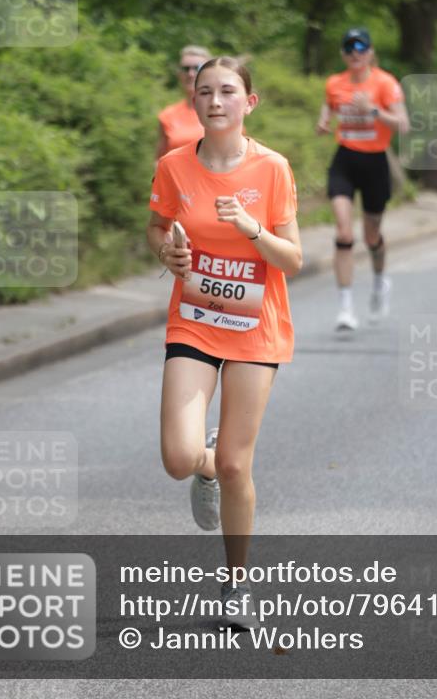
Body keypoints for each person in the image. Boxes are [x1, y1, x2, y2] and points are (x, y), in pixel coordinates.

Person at [147, 56, 302, 628]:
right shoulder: (173, 167)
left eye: (228, 91)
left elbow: (293, 257)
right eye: (205, 90)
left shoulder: (272, 169)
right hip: (193, 320)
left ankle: (237, 586)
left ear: (249, 103)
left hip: (255, 328)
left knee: (240, 466)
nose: (215, 100)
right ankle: (202, 466)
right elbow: (158, 226)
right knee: (178, 459)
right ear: (194, 101)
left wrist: (252, 230)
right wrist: (167, 251)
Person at [316, 28, 408, 330]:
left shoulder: (385, 83)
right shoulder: (335, 83)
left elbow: (403, 125)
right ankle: (345, 308)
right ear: (343, 54)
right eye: (349, 48)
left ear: (370, 53)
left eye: (361, 47)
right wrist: (323, 120)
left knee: (371, 236)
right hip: (345, 160)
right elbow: (329, 103)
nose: (355, 53)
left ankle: (380, 281)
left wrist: (374, 111)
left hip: (375, 163)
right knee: (344, 232)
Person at [155, 45, 212, 161]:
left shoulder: (223, 111)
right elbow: (159, 160)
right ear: (179, 74)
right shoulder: (168, 115)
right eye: (186, 69)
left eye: (197, 68)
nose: (190, 74)